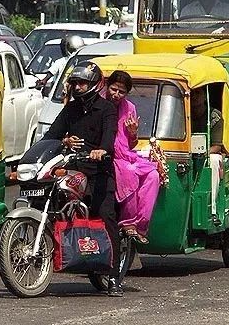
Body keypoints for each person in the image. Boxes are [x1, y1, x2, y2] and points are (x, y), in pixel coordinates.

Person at [42, 61, 123, 297]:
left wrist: (101, 150)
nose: (77, 87)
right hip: (73, 169)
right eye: (74, 83)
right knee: (50, 200)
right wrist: (63, 142)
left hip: (99, 172)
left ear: (94, 84)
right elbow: (51, 135)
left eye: (82, 82)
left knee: (107, 219)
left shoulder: (107, 109)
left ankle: (114, 276)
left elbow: (109, 136)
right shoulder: (71, 109)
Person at [103, 70, 160, 245]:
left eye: (121, 92)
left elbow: (131, 144)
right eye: (113, 89)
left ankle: (140, 225)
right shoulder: (100, 104)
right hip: (109, 156)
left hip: (126, 155)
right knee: (128, 173)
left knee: (154, 175)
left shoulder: (130, 108)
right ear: (107, 86)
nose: (116, 95)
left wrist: (133, 133)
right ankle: (128, 223)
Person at [190, 87, 225, 226]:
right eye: (191, 93)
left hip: (207, 154)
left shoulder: (214, 116)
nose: (194, 97)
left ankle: (212, 210)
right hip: (185, 153)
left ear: (205, 96)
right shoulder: (181, 112)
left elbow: (217, 146)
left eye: (198, 93)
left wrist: (203, 153)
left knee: (214, 160)